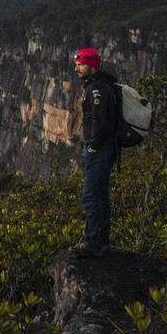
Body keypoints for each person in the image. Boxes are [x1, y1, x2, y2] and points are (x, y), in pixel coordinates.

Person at [71, 48, 117, 258]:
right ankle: (102, 240)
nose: (76, 68)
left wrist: (92, 147)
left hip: (100, 150)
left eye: (80, 64)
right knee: (101, 196)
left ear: (92, 65)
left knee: (91, 196)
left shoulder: (97, 89)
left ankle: (92, 243)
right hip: (105, 149)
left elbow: (99, 122)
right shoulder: (101, 85)